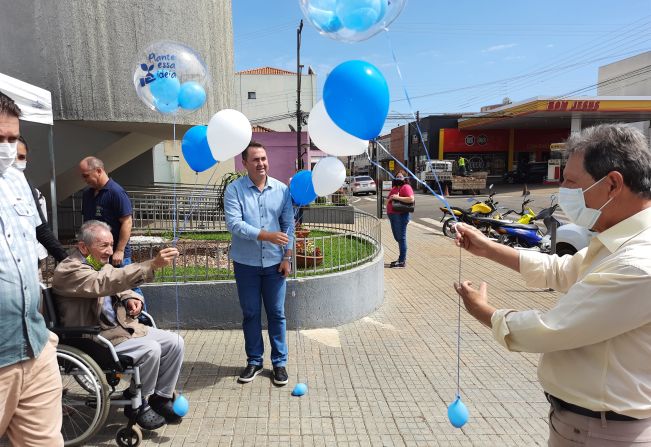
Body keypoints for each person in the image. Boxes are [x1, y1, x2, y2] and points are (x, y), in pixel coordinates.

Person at [453, 124, 651, 446]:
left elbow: (554, 328)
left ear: (613, 184)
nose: (563, 192)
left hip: (604, 433)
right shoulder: (620, 241)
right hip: (584, 425)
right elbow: (564, 269)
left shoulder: (638, 263)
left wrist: (485, 312)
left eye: (572, 182)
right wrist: (488, 248)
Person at [52, 220, 183, 430]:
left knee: (175, 342)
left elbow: (111, 277)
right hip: (94, 338)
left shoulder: (95, 262)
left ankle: (162, 397)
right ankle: (139, 402)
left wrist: (131, 296)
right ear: (83, 247)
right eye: (104, 245)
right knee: (151, 349)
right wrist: (152, 265)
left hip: (120, 328)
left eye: (111, 244)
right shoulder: (69, 270)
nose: (110, 251)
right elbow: (103, 282)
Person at [0, 92, 63, 446]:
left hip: (35, 347)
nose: (8, 148)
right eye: (0, 139)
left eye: (13, 138)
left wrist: (66, 255)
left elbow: (38, 231)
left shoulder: (17, 182)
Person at [224, 141, 294, 386]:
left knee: (277, 313)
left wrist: (287, 256)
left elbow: (288, 225)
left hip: (276, 264)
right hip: (247, 264)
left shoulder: (282, 189)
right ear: (244, 163)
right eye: (255, 159)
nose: (261, 163)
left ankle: (279, 363)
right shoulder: (234, 190)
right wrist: (267, 235)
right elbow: (234, 224)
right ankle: (254, 360)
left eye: (263, 158)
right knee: (251, 313)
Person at [15, 136, 68, 264]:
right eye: (12, 156)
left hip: (29, 262)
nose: (16, 161)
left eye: (22, 157)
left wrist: (68, 262)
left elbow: (41, 229)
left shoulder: (27, 187)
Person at [79, 156, 133, 268]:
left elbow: (127, 222)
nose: (85, 179)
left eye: (86, 175)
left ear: (98, 171)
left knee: (123, 283)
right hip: (94, 255)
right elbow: (87, 224)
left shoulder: (116, 192)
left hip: (115, 256)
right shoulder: (87, 194)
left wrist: (120, 250)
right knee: (97, 283)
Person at [386, 170, 414, 268]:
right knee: (397, 237)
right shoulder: (394, 188)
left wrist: (398, 198)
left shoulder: (406, 187)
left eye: (401, 177)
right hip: (392, 215)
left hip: (400, 215)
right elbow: (388, 199)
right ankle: (401, 259)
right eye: (397, 176)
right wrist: (390, 199)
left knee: (401, 238)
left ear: (405, 178)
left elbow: (411, 199)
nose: (398, 178)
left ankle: (402, 261)